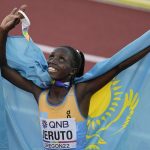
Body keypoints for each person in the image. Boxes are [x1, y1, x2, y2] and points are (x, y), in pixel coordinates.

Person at [0, 5, 150, 150]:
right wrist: (2, 32)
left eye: (61, 59)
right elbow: (5, 69)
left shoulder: (81, 92)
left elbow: (118, 67)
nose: (52, 60)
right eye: (51, 56)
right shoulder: (39, 94)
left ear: (72, 71)